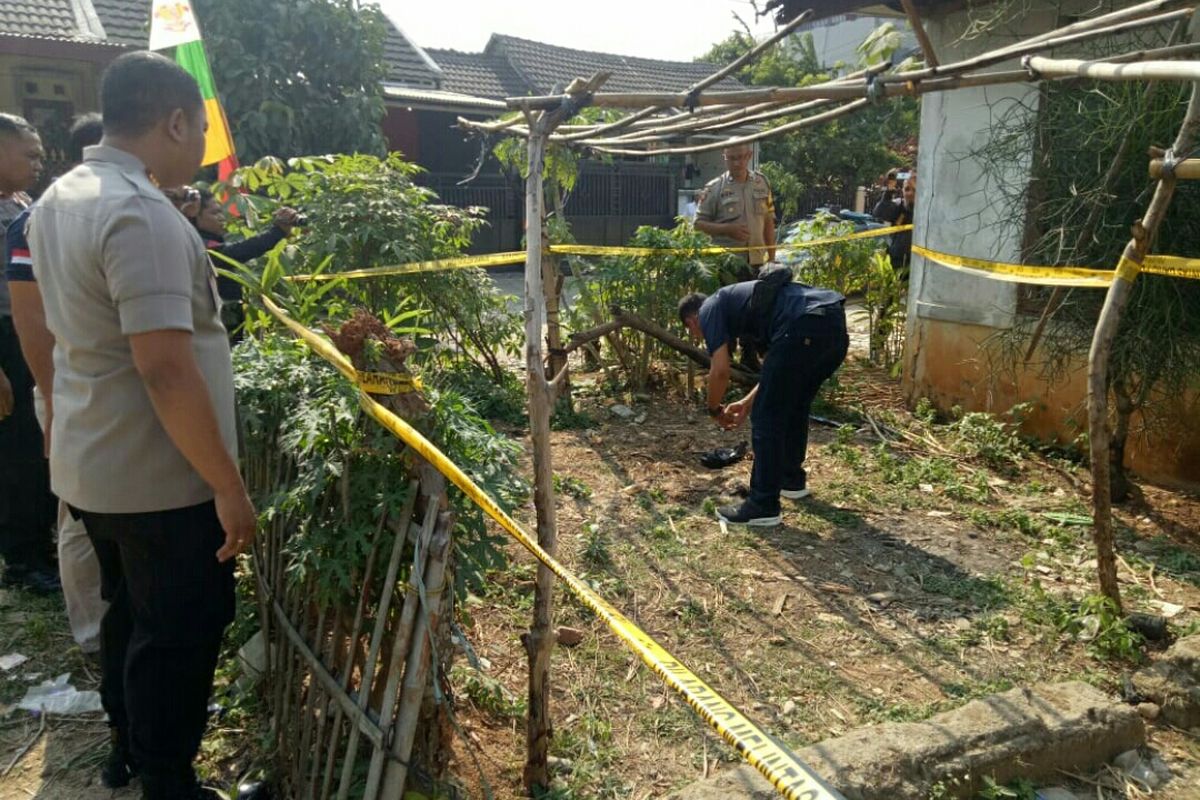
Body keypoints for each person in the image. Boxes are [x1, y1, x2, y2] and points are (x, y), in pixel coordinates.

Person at [27, 51, 255, 800]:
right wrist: (227, 486)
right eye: (199, 133)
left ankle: (129, 745)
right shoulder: (140, 212)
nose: (200, 151)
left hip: (93, 461)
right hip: (160, 476)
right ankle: (168, 780)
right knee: (181, 629)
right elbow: (163, 367)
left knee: (132, 613)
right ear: (176, 120)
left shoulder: (62, 195)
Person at [7, 113, 107, 649]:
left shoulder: (36, 211)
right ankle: (92, 629)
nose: (36, 163)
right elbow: (28, 318)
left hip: (88, 381)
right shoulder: (43, 219)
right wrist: (50, 396)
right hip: (63, 379)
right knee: (77, 508)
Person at [679, 273, 848, 526]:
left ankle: (763, 505)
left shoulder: (710, 308)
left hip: (803, 326)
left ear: (692, 319)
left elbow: (720, 370)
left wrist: (714, 410)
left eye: (691, 331)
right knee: (794, 404)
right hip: (832, 326)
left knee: (767, 416)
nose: (696, 337)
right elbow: (774, 369)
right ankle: (790, 480)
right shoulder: (749, 307)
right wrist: (746, 403)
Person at [0, 112, 57, 594]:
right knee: (18, 453)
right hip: (4, 341)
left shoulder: (20, 202)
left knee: (36, 447)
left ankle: (39, 544)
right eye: (30, 155)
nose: (39, 163)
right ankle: (22, 559)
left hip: (27, 333)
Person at [165, 185, 299, 338]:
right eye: (214, 213)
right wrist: (277, 232)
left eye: (221, 211)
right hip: (210, 328)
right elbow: (235, 253)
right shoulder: (197, 245)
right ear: (193, 214)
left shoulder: (195, 241)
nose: (222, 217)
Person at [694, 142, 776, 283]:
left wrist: (772, 258)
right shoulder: (714, 188)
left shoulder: (761, 183)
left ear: (749, 156)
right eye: (731, 158)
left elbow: (768, 221)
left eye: (740, 157)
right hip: (728, 265)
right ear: (724, 157)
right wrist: (727, 229)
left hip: (758, 264)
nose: (737, 162)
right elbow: (698, 224)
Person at [872, 168, 916, 278]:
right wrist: (889, 189)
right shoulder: (899, 206)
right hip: (897, 264)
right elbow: (879, 212)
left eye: (914, 190)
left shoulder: (928, 210)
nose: (910, 193)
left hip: (917, 266)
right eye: (907, 189)